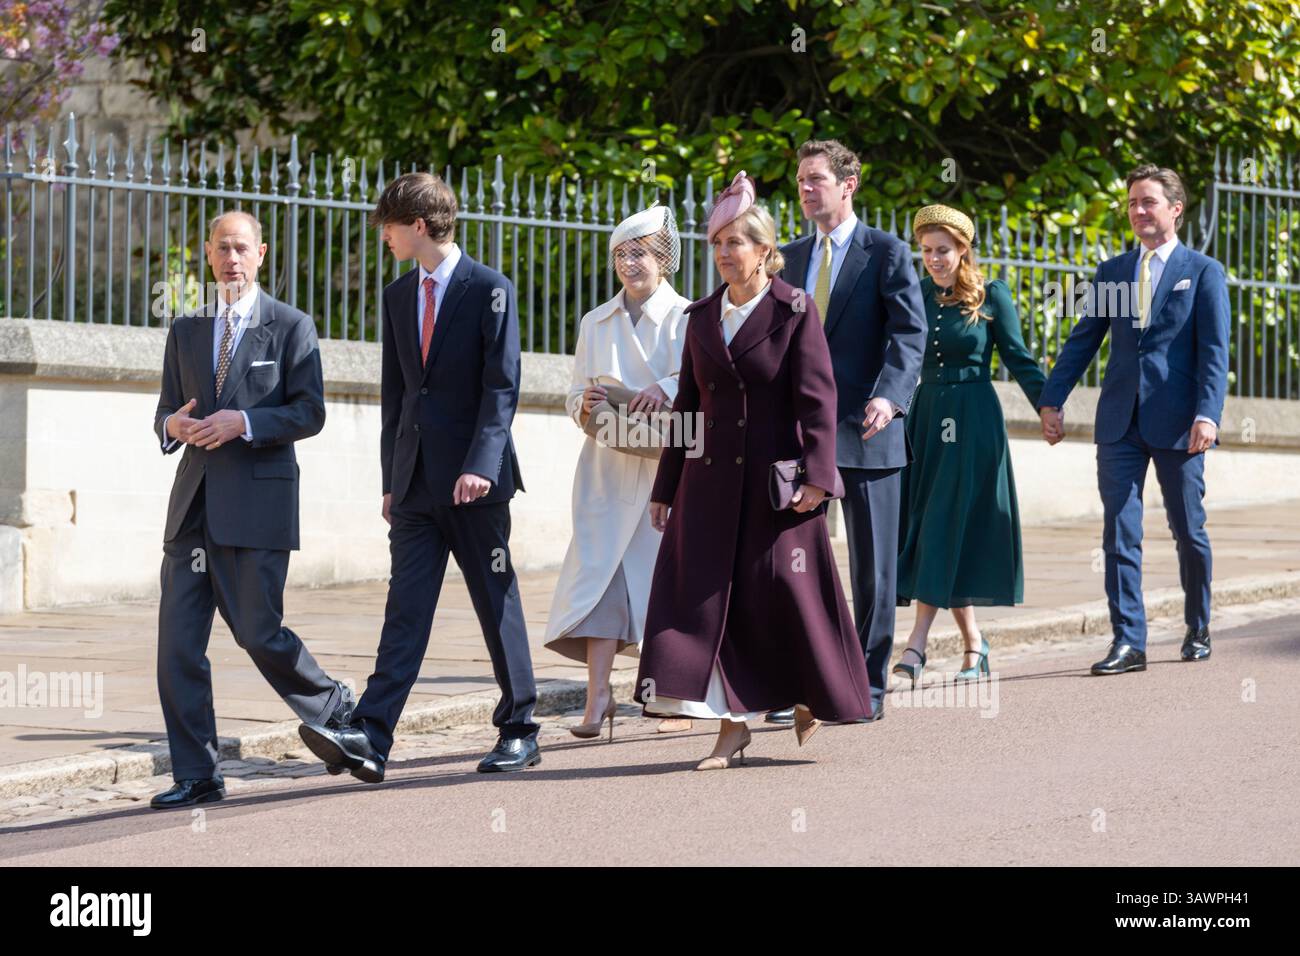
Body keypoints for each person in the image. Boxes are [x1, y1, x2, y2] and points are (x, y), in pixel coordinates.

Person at [298, 172, 540, 779]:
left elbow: (502, 388)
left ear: (421, 226)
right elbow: (397, 393)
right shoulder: (398, 296)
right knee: (404, 608)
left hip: (475, 484)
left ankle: (520, 728)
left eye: (389, 225)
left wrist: (481, 466)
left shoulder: (491, 289)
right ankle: (372, 738)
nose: (384, 236)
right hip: (413, 485)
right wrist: (390, 478)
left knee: (495, 600)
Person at [633, 171, 874, 770]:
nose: (722, 255)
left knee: (785, 601)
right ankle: (731, 728)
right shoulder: (701, 316)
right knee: (711, 606)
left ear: (765, 251)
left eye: (733, 243)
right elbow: (687, 406)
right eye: (715, 245)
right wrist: (666, 486)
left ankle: (808, 697)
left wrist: (819, 479)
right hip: (708, 488)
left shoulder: (794, 311)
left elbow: (818, 401)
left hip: (777, 489)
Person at [151, 210, 352, 809]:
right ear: (207, 255)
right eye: (221, 248)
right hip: (192, 508)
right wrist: (172, 425)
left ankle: (334, 704)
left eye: (241, 248)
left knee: (258, 633)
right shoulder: (186, 329)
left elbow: (309, 412)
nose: (231, 259)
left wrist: (245, 422)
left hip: (257, 506)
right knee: (176, 649)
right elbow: (166, 410)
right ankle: (198, 773)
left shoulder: (290, 326)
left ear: (261, 254)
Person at [1037, 164, 1230, 675]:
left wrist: (1208, 414)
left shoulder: (1203, 271)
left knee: (1188, 529)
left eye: (1148, 202)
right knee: (1119, 532)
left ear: (1175, 209)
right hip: (1119, 422)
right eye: (1132, 204)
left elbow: (1214, 352)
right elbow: (1083, 338)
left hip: (1179, 423)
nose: (1139, 211)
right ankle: (1129, 640)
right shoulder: (1113, 272)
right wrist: (1052, 399)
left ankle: (1198, 623)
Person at [771, 139, 927, 723]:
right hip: (800, 436)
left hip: (868, 430)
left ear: (848, 183)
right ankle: (802, 682)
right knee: (795, 562)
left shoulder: (886, 252)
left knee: (872, 567)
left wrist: (890, 396)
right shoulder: (786, 257)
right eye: (801, 180)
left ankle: (868, 682)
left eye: (816, 179)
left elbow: (910, 336)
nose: (807, 189)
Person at [544, 205, 692, 740]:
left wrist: (665, 387)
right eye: (622, 255)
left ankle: (671, 695)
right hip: (605, 467)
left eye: (642, 253)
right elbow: (572, 389)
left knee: (665, 583)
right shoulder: (595, 321)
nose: (631, 264)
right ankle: (597, 697)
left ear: (664, 260)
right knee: (600, 579)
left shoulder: (687, 316)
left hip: (665, 468)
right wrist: (580, 403)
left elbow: (700, 385)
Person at [892, 204, 1046, 686]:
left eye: (943, 250)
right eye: (926, 251)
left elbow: (1019, 358)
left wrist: (1049, 406)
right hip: (928, 415)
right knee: (940, 523)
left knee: (944, 521)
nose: (934, 259)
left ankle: (916, 644)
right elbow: (898, 358)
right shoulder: (915, 295)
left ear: (963, 249)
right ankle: (975, 645)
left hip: (974, 420)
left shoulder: (991, 294)